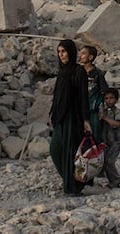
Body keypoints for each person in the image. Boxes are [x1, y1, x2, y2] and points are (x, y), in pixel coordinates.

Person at [48, 39, 92, 196]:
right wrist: (52, 113)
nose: (61, 55)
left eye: (64, 51)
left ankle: (74, 185)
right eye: (59, 52)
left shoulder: (79, 71)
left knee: (71, 152)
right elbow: (57, 96)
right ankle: (70, 180)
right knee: (55, 149)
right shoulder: (61, 72)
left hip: (74, 118)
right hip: (61, 117)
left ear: (71, 52)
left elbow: (83, 96)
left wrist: (86, 120)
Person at [79, 45, 110, 142]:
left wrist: (102, 109)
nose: (81, 55)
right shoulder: (78, 72)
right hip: (79, 110)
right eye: (80, 53)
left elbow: (104, 92)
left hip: (93, 111)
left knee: (94, 136)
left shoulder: (97, 74)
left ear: (91, 57)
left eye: (84, 53)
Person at [96, 87, 120, 189]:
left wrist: (104, 118)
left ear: (116, 99)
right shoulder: (104, 110)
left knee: (110, 161)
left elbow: (116, 124)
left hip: (115, 141)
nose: (109, 100)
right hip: (106, 141)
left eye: (111, 98)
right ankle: (112, 182)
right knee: (105, 161)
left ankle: (116, 180)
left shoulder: (117, 112)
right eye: (107, 98)